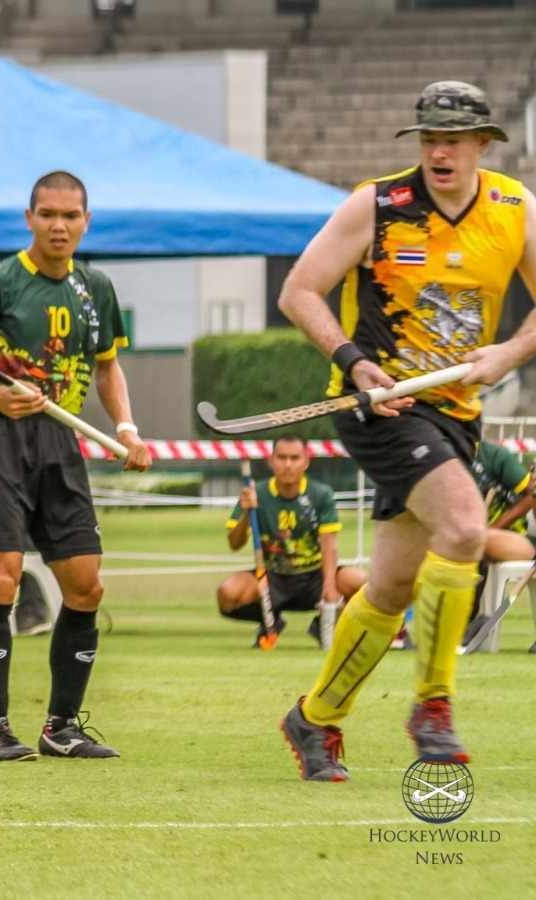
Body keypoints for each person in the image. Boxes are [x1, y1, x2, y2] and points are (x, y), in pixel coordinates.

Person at [275, 81, 536, 781]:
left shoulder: (515, 209)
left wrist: (509, 352)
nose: (439, 151)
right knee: (462, 527)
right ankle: (433, 705)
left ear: (485, 143)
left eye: (453, 139)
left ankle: (314, 719)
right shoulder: (378, 205)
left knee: (391, 586)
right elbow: (299, 291)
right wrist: (353, 362)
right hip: (380, 407)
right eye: (428, 138)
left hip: (454, 415)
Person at [0, 170, 152, 762]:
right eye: (47, 214)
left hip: (62, 442)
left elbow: (106, 368)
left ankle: (62, 726)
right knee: (0, 574)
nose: (59, 225)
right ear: (28, 218)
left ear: (86, 221)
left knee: (86, 584)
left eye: (70, 215)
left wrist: (125, 429)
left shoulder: (95, 289)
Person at [217, 435, 366, 644]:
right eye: (282, 457)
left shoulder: (321, 494)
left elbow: (329, 545)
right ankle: (271, 621)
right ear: (271, 460)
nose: (288, 465)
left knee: (362, 584)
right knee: (228, 594)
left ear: (306, 461)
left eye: (295, 458)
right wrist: (245, 514)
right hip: (272, 577)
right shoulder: (256, 493)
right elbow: (234, 544)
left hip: (315, 575)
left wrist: (329, 585)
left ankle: (324, 623)